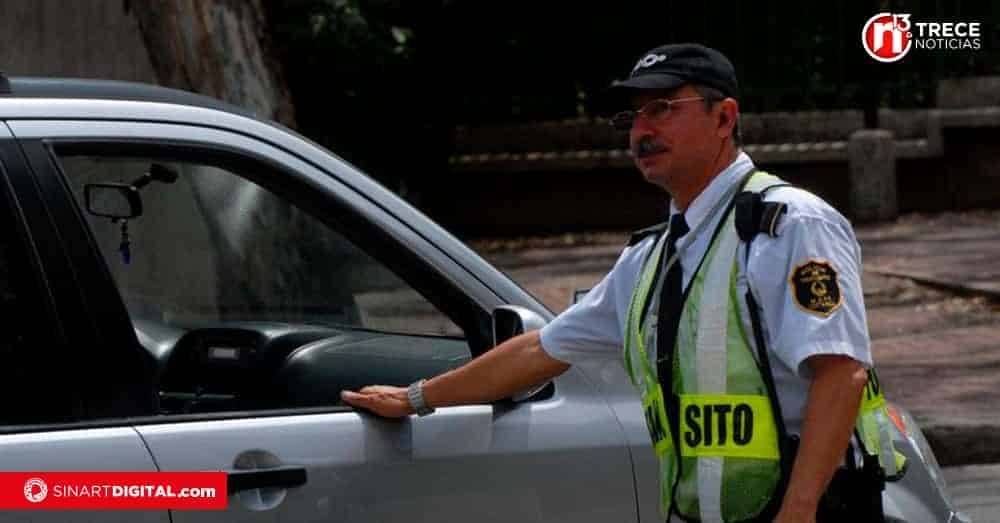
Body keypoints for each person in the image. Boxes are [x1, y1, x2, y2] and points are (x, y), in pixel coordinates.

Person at [341, 43, 902, 523]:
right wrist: (417, 398)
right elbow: (542, 347)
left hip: (813, 509)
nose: (641, 130)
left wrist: (797, 515)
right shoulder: (653, 256)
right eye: (632, 117)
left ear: (724, 117)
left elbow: (840, 372)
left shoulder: (787, 225)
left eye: (662, 108)